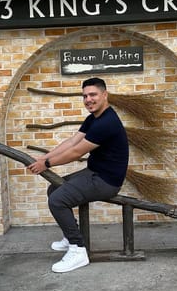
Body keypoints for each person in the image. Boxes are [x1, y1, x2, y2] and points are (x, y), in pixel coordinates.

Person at [27, 77, 129, 273]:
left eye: (93, 95)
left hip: (106, 181)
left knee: (57, 201)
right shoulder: (94, 118)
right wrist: (44, 158)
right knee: (54, 188)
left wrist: (45, 164)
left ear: (105, 95)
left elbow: (76, 153)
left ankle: (77, 250)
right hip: (94, 172)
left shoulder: (107, 122)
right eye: (85, 96)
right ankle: (70, 234)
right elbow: (72, 142)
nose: (88, 99)